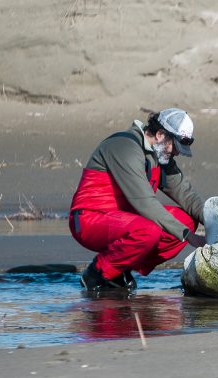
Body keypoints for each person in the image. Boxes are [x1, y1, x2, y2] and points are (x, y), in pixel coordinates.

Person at [69, 108, 207, 291]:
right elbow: (145, 203)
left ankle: (120, 268)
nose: (177, 153)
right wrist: (188, 237)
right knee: (149, 231)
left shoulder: (160, 155)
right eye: (174, 146)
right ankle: (97, 274)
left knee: (187, 220)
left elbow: (187, 195)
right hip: (89, 219)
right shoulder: (124, 147)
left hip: (126, 219)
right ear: (159, 134)